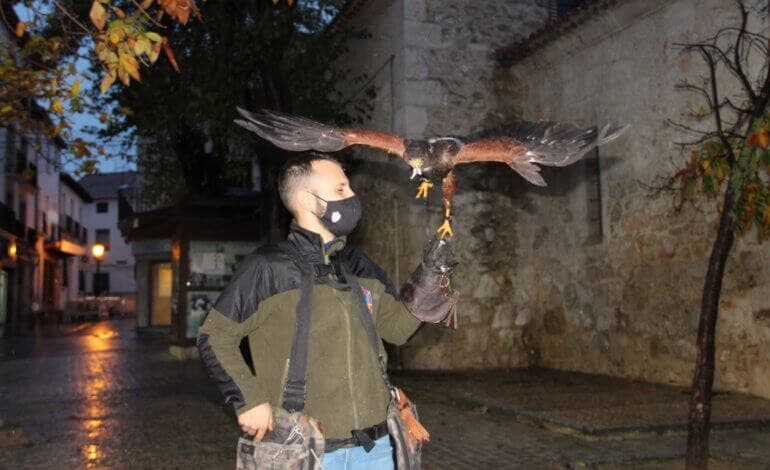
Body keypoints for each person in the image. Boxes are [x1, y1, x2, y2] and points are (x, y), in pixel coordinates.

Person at [197, 152, 459, 469]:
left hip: (374, 449)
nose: (351, 197)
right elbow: (215, 335)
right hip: (304, 451)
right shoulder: (268, 268)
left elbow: (397, 329)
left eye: (348, 188)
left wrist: (431, 276)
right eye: (340, 190)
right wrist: (248, 400)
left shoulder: (358, 264)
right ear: (308, 199)